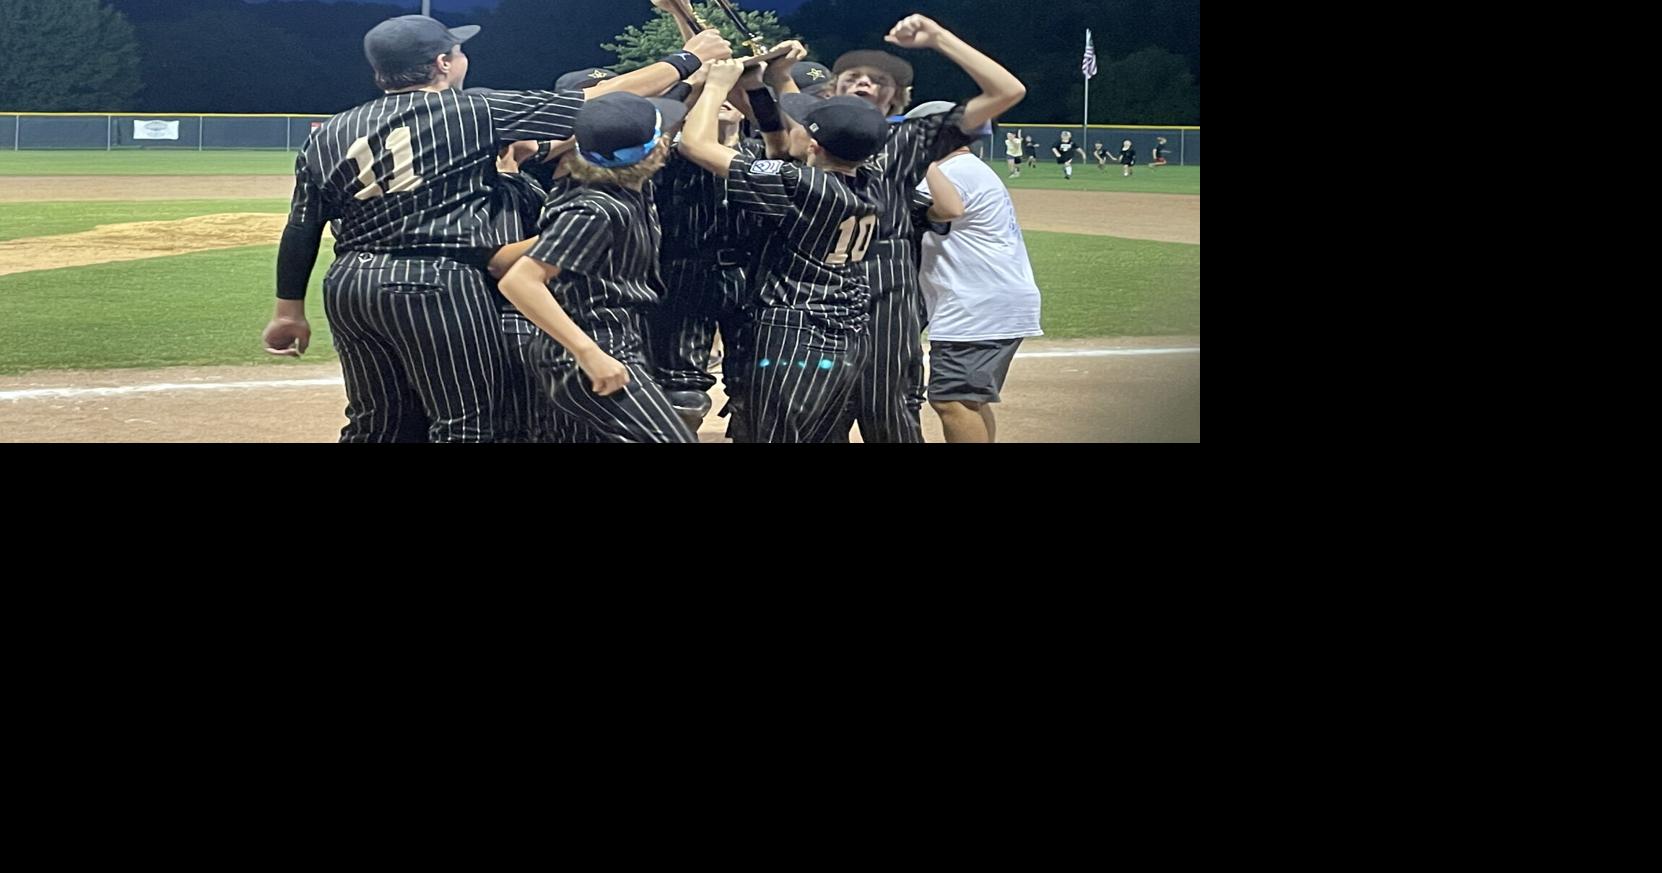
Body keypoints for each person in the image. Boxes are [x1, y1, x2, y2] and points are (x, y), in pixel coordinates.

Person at [260, 13, 730, 441]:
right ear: (442, 63)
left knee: (376, 420)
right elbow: (589, 102)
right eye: (459, 52)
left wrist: (288, 311)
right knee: (471, 422)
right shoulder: (471, 110)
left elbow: (302, 225)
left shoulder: (334, 130)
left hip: (350, 284)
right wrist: (688, 59)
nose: (464, 59)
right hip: (438, 282)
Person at [821, 14, 1026, 443]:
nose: (864, 84)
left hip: (894, 310)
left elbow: (1007, 91)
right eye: (852, 77)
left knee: (914, 409)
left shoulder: (914, 146)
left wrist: (939, 38)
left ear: (897, 99)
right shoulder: (809, 135)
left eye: (877, 80)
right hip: (819, 308)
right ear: (830, 90)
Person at [679, 60, 890, 443]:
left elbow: (696, 145)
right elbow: (780, 133)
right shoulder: (873, 182)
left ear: (812, 145)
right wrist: (761, 86)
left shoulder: (802, 186)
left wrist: (717, 86)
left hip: (793, 335)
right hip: (846, 335)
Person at [914, 145, 1043, 443]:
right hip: (991, 300)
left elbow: (936, 209)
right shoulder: (970, 168)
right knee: (969, 399)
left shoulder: (951, 172)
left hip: (976, 305)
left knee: (952, 399)